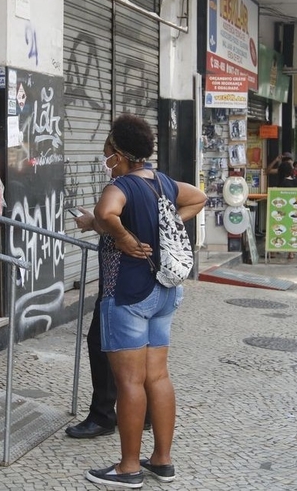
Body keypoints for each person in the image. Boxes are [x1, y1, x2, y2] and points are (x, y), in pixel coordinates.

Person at [83, 114, 205, 489]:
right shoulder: (163, 182)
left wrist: (120, 236)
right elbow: (198, 197)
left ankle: (129, 468)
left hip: (128, 295)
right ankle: (162, 461)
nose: (107, 157)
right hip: (164, 293)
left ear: (118, 152)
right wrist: (163, 224)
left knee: (130, 382)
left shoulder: (120, 185)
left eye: (108, 150)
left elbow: (107, 212)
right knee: (158, 376)